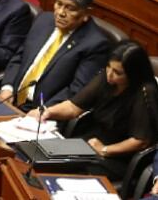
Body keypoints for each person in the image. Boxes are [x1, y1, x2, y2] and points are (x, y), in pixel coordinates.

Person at [28, 41, 158, 181]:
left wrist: (105, 150)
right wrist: (47, 112)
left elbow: (140, 141)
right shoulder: (107, 79)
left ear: (133, 74)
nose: (109, 74)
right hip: (92, 141)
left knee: (62, 178)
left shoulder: (145, 91)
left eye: (117, 72)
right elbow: (73, 107)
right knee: (39, 159)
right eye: (108, 67)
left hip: (120, 158)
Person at [0, 0, 109, 111]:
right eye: (59, 4)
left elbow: (76, 92)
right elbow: (20, 57)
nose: (61, 13)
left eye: (70, 8)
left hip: (43, 113)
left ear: (86, 14)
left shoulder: (95, 44)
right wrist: (7, 87)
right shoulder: (44, 20)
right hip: (10, 99)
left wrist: (45, 111)